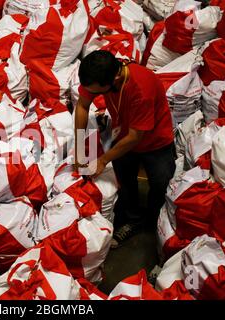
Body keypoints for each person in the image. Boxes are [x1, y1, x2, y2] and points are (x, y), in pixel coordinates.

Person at [74, 50, 175, 248]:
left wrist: (103, 160)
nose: (94, 95)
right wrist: (79, 147)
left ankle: (154, 223)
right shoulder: (99, 76)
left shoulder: (141, 89)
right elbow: (82, 106)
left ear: (116, 78)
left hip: (155, 141)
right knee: (125, 181)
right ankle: (133, 220)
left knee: (160, 184)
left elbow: (135, 137)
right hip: (123, 134)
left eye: (99, 92)